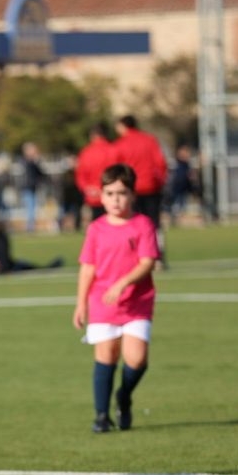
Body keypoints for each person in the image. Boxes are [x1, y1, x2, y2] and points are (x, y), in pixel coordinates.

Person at [71, 164, 160, 434]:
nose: (115, 199)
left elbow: (147, 262)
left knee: (137, 359)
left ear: (132, 194)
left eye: (121, 193)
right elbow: (88, 267)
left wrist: (123, 283)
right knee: (106, 355)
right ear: (102, 195)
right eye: (109, 193)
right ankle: (101, 415)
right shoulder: (96, 228)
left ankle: (123, 397)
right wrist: (81, 303)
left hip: (136, 301)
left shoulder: (142, 224)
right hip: (103, 301)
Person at [112, 115, 169, 265]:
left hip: (131, 189)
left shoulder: (120, 144)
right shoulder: (150, 140)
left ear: (123, 126)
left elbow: (116, 168)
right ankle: (157, 257)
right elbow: (161, 163)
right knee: (154, 223)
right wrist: (160, 181)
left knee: (131, 222)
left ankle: (135, 257)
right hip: (151, 187)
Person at [75, 122, 117, 224]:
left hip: (94, 194)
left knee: (98, 223)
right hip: (112, 193)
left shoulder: (86, 152)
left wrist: (86, 188)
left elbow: (80, 175)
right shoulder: (114, 150)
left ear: (92, 135)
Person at [18, 142, 45, 233]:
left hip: (31, 187)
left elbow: (39, 172)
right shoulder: (26, 161)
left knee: (32, 207)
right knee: (30, 207)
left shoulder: (31, 161)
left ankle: (30, 225)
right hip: (28, 187)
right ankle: (30, 226)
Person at [167, 144, 195, 227]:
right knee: (175, 206)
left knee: (181, 206)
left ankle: (176, 220)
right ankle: (173, 219)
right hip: (175, 189)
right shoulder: (175, 163)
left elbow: (189, 176)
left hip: (184, 189)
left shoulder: (187, 164)